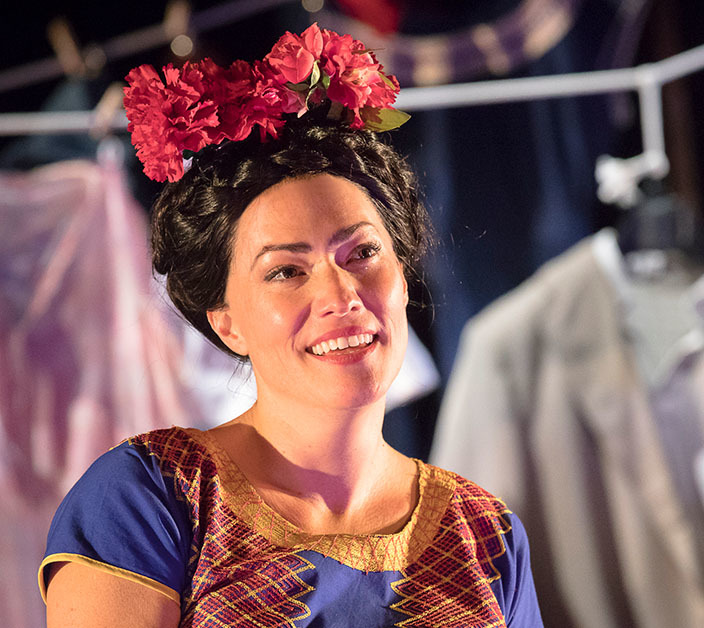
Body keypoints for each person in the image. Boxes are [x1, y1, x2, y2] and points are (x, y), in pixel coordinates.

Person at [38, 24, 543, 628]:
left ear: (404, 277)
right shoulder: (152, 501)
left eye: (361, 253)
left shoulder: (483, 535)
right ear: (227, 324)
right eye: (285, 271)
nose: (340, 294)